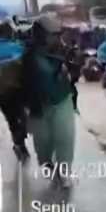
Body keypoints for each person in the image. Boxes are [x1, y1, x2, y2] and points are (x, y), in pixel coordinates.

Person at [21, 15, 78, 189]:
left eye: (56, 34)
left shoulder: (64, 51)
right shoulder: (28, 56)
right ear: (40, 35)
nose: (55, 38)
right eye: (51, 34)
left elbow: (74, 73)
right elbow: (23, 84)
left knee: (65, 137)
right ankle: (48, 166)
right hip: (39, 106)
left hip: (62, 99)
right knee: (43, 143)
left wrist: (73, 68)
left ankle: (65, 172)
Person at [0, 21, 28, 160]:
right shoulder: (16, 47)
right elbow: (24, 60)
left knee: (12, 121)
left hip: (1, 93)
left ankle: (19, 144)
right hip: (16, 90)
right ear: (7, 33)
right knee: (23, 119)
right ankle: (19, 142)